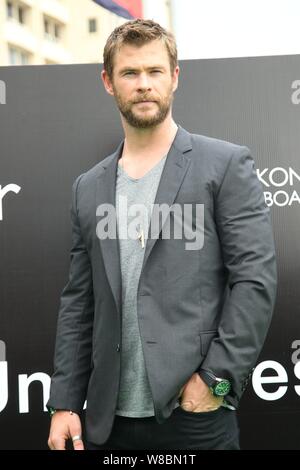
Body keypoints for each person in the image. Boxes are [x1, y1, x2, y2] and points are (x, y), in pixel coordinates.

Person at [47, 19, 277, 451]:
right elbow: (79, 303)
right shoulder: (88, 186)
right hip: (106, 424)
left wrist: (217, 385)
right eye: (130, 73)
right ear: (108, 82)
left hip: (194, 418)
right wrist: (63, 403)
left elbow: (255, 282)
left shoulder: (223, 165)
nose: (144, 84)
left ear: (174, 76)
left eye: (154, 71)